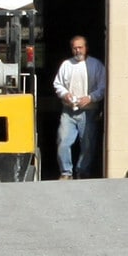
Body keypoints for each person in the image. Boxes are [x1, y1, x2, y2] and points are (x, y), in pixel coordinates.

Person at [52, 35, 107, 179]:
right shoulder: (66, 65)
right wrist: (65, 94)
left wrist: (90, 98)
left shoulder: (96, 65)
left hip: (89, 111)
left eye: (80, 47)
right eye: (75, 48)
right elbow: (57, 84)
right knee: (63, 141)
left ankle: (82, 171)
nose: (77, 50)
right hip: (69, 110)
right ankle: (66, 172)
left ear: (86, 48)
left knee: (87, 144)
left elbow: (103, 87)